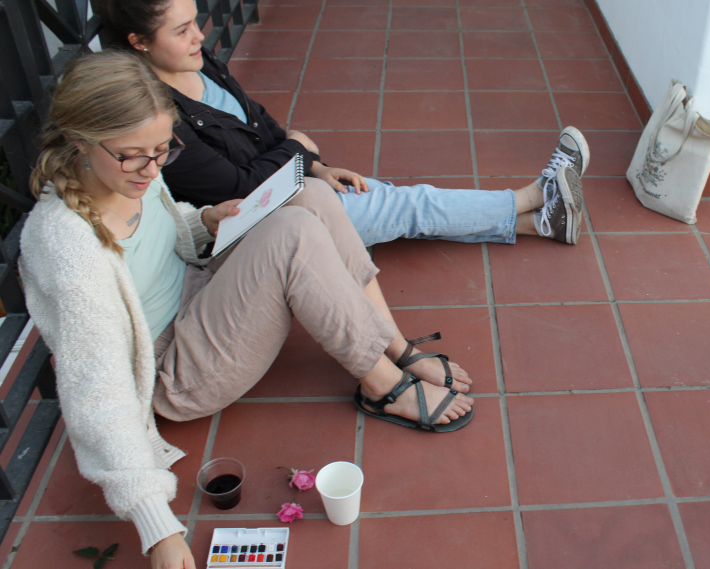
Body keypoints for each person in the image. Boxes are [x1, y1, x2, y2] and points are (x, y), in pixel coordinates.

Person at [21, 50, 476, 569]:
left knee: (310, 198)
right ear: (79, 142)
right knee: (294, 234)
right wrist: (158, 528)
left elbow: (160, 240)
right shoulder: (63, 243)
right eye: (134, 156)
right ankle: (382, 387)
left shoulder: (127, 171)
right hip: (177, 371)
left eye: (162, 150)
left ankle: (396, 348)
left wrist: (204, 220)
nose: (152, 169)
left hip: (199, 294)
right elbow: (94, 394)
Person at [96, 0, 591, 247]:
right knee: (408, 205)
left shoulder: (195, 63)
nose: (198, 37)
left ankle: (541, 222)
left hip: (293, 185)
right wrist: (297, 150)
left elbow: (260, 122)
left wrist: (316, 166)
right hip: (268, 225)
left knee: (389, 197)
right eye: (181, 30)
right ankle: (531, 198)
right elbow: (242, 188)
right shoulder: (157, 124)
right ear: (139, 42)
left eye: (196, 21)